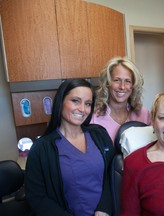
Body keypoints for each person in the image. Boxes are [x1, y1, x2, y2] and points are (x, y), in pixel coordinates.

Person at [25, 79, 115, 216]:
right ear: (61, 102)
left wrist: (104, 208)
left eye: (88, 104)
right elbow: (37, 197)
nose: (82, 109)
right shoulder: (41, 148)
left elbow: (111, 174)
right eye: (75, 101)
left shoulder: (99, 134)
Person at [90, 56, 150, 143]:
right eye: (117, 80)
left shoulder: (144, 115)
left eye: (127, 81)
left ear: (133, 85)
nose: (122, 87)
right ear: (107, 83)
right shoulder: (94, 118)